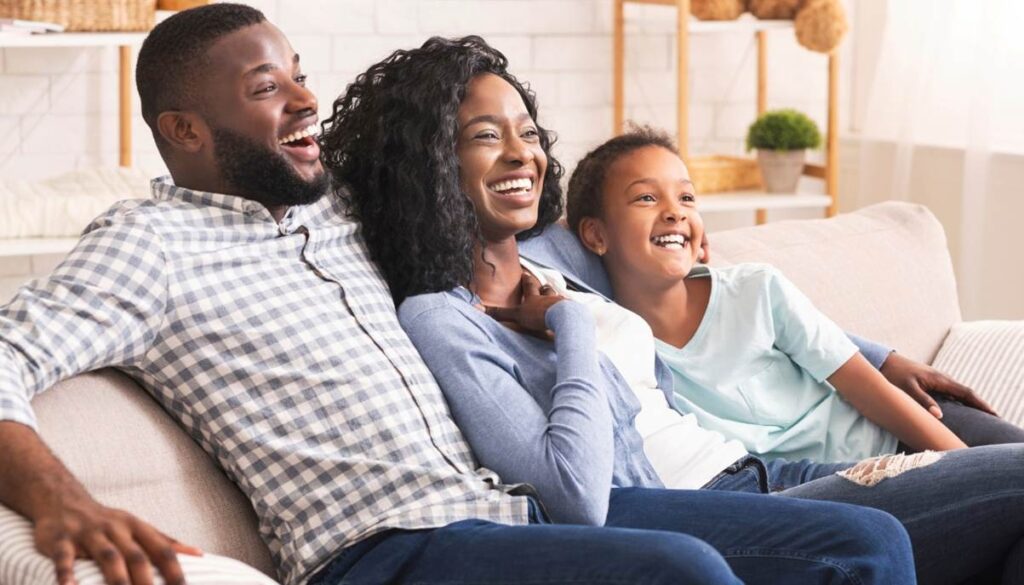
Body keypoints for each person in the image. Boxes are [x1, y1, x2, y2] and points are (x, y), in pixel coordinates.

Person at [0, 6, 916, 585]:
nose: (305, 99)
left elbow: (516, 209)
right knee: (682, 570)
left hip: (505, 509)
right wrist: (62, 501)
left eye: (301, 74)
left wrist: (866, 355)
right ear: (186, 129)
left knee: (863, 543)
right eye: (266, 88)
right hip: (382, 547)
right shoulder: (150, 246)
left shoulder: (344, 208)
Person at [321, 35, 1024, 583]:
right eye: (485, 135)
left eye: (529, 133)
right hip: (706, 499)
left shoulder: (551, 252)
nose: (522, 155)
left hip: (763, 469)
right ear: (432, 163)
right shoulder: (443, 314)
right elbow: (569, 490)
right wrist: (566, 323)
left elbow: (667, 247)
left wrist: (880, 355)